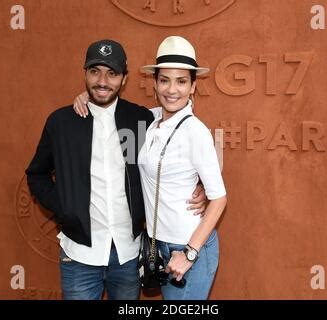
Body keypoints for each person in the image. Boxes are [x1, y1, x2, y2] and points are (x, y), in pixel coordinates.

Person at [25, 39, 206, 300]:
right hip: (79, 254)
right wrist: (64, 206)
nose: (102, 81)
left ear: (124, 79)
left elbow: (180, 123)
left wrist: (199, 185)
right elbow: (37, 174)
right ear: (85, 73)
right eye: (95, 71)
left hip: (128, 255)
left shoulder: (141, 119)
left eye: (112, 74)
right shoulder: (61, 122)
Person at [73, 36, 227, 300]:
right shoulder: (150, 118)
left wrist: (189, 252)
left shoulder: (196, 131)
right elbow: (111, 108)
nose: (172, 90)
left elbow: (220, 198)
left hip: (188, 247)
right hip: (158, 244)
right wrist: (89, 94)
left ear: (193, 87)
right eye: (165, 80)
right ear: (154, 83)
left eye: (181, 81)